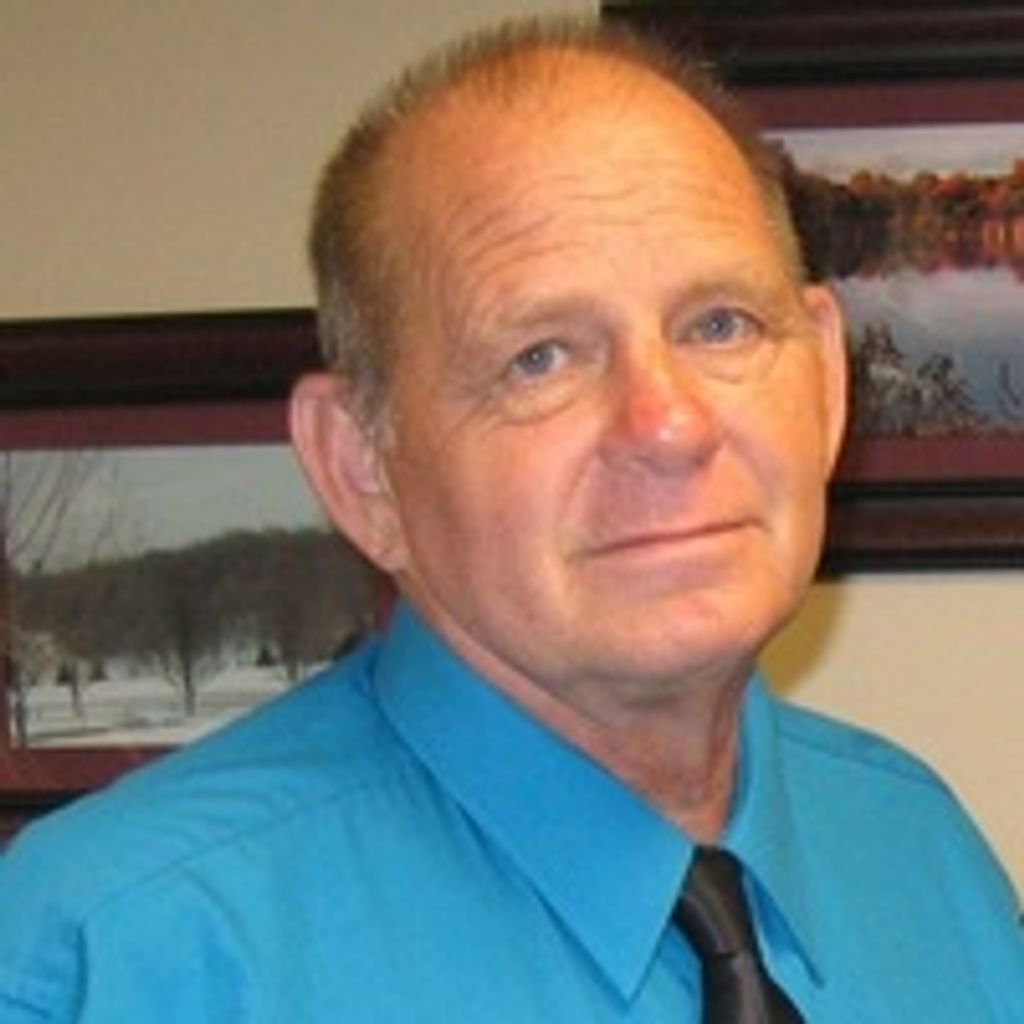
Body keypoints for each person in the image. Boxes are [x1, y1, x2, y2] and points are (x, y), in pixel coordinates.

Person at [1, 16, 1022, 1022]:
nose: (668, 424)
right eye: (539, 357)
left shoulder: (921, 858)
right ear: (361, 468)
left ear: (828, 386)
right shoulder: (110, 961)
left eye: (721, 324)